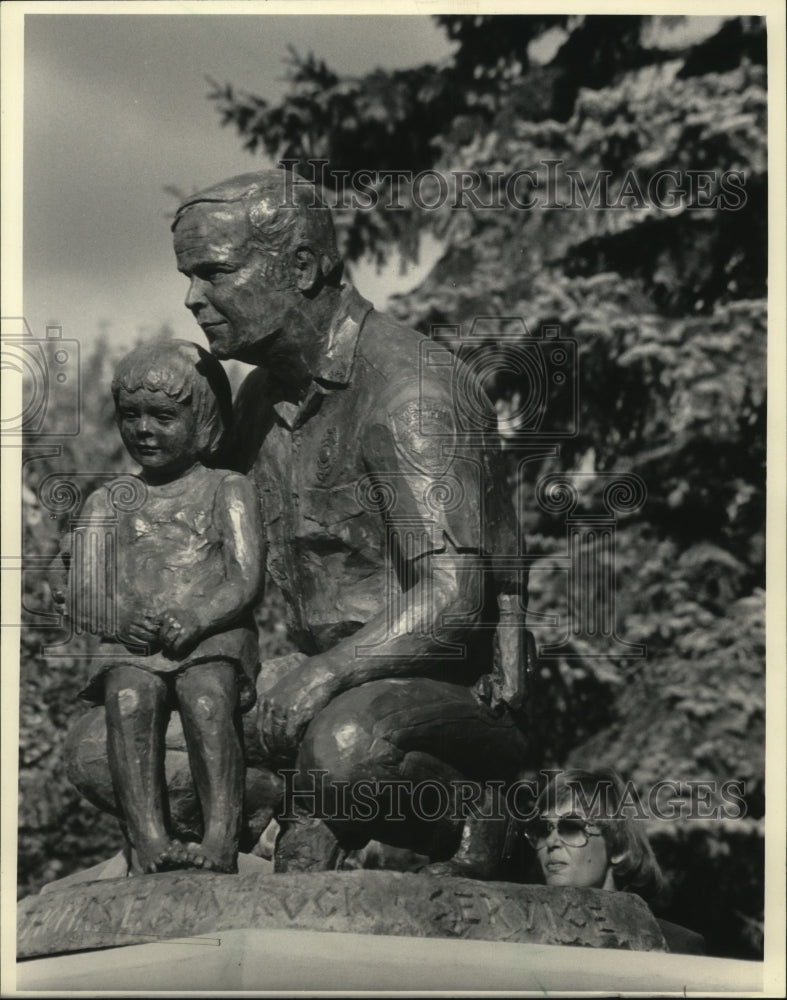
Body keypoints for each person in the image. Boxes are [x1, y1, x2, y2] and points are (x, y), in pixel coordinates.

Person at [168, 168, 534, 875]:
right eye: (189, 277)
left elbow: (454, 603)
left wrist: (325, 675)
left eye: (214, 273)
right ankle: (314, 818)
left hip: (446, 694)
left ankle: (472, 813)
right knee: (105, 745)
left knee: (343, 751)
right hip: (315, 683)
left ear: (300, 267)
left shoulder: (411, 389)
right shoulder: (254, 405)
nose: (193, 299)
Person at [50, 340, 264, 873]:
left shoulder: (228, 489)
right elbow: (84, 593)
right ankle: (146, 840)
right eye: (131, 416)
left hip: (211, 637)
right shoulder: (107, 502)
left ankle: (220, 838)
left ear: (205, 421)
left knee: (207, 698)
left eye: (163, 416)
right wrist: (120, 621)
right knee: (127, 699)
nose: (144, 429)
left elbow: (245, 578)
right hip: (134, 644)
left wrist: (198, 617)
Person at [523, 767, 706, 954]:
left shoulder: (675, 946)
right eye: (543, 829)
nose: (551, 842)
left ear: (619, 848)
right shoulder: (521, 940)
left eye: (571, 827)